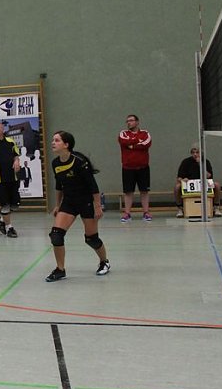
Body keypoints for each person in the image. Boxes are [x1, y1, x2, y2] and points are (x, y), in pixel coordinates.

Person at [45, 130, 110, 282]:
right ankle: (60, 270)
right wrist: (57, 205)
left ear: (66, 144)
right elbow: (59, 186)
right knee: (56, 235)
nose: (53, 143)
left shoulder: (79, 161)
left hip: (86, 202)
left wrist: (97, 206)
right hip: (69, 202)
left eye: (57, 140)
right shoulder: (55, 163)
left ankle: (104, 262)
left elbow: (93, 185)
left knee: (91, 239)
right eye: (53, 140)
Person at [118, 114, 152, 222]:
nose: (129, 122)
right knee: (128, 191)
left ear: (137, 122)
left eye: (131, 120)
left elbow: (146, 144)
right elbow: (124, 142)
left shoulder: (145, 133)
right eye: (127, 121)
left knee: (144, 191)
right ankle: (127, 213)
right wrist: (137, 142)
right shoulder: (123, 133)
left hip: (143, 167)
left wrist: (132, 146)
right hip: (128, 168)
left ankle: (146, 213)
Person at [174, 146, 222, 218]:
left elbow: (209, 176)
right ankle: (180, 208)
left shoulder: (206, 161)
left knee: (217, 185)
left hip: (204, 183)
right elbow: (179, 178)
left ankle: (216, 207)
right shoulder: (185, 162)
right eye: (193, 153)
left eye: (197, 152)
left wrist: (200, 164)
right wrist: (183, 180)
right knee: (177, 187)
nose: (195, 154)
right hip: (189, 184)